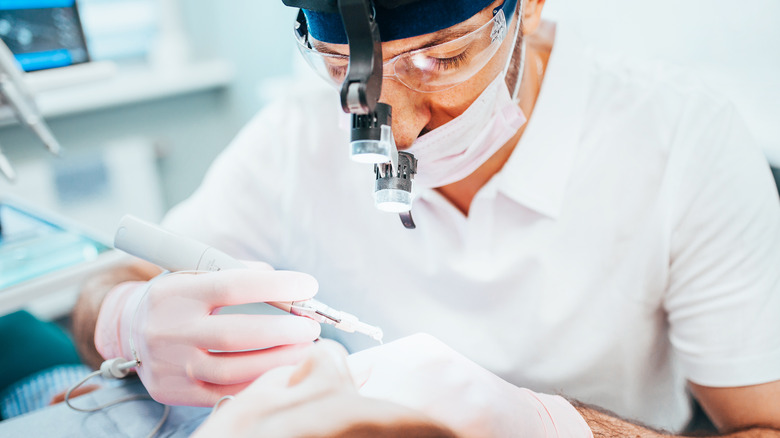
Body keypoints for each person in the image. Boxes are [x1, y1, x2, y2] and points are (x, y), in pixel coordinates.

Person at [72, 0, 780, 436]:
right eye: (345, 67)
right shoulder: (291, 138)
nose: (398, 127)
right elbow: (110, 278)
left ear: (525, 6)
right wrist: (124, 318)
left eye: (441, 58)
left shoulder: (684, 141)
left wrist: (553, 431)